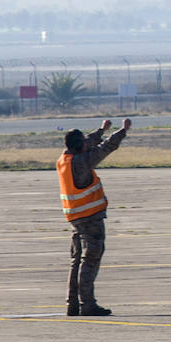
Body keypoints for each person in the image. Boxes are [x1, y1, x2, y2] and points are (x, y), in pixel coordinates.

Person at [58, 118, 132, 316]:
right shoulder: (82, 162)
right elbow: (105, 148)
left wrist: (101, 130)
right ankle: (87, 304)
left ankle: (73, 304)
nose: (86, 143)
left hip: (75, 218)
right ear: (79, 146)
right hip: (90, 218)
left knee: (76, 261)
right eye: (83, 142)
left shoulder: (65, 158)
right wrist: (122, 131)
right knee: (90, 259)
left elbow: (88, 143)